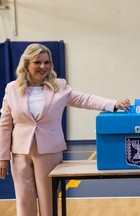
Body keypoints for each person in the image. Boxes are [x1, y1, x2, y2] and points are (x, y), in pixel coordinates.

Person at [0, 43, 130, 216]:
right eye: (37, 62)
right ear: (26, 64)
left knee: (49, 201)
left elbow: (86, 99)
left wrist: (114, 104)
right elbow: (5, 124)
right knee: (24, 200)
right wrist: (2, 157)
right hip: (19, 153)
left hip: (49, 151)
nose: (43, 67)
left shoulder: (59, 86)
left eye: (47, 62)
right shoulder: (12, 89)